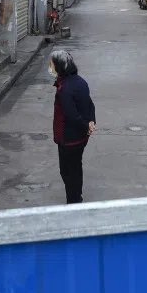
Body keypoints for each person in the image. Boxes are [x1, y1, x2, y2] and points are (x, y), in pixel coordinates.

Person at [50, 50, 97, 204]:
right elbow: (90, 104)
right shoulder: (81, 81)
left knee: (67, 171)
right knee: (76, 166)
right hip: (82, 137)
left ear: (60, 67)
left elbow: (71, 115)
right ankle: (77, 197)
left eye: (52, 65)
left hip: (69, 138)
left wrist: (85, 125)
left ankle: (73, 201)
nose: (50, 68)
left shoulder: (65, 89)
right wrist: (91, 122)